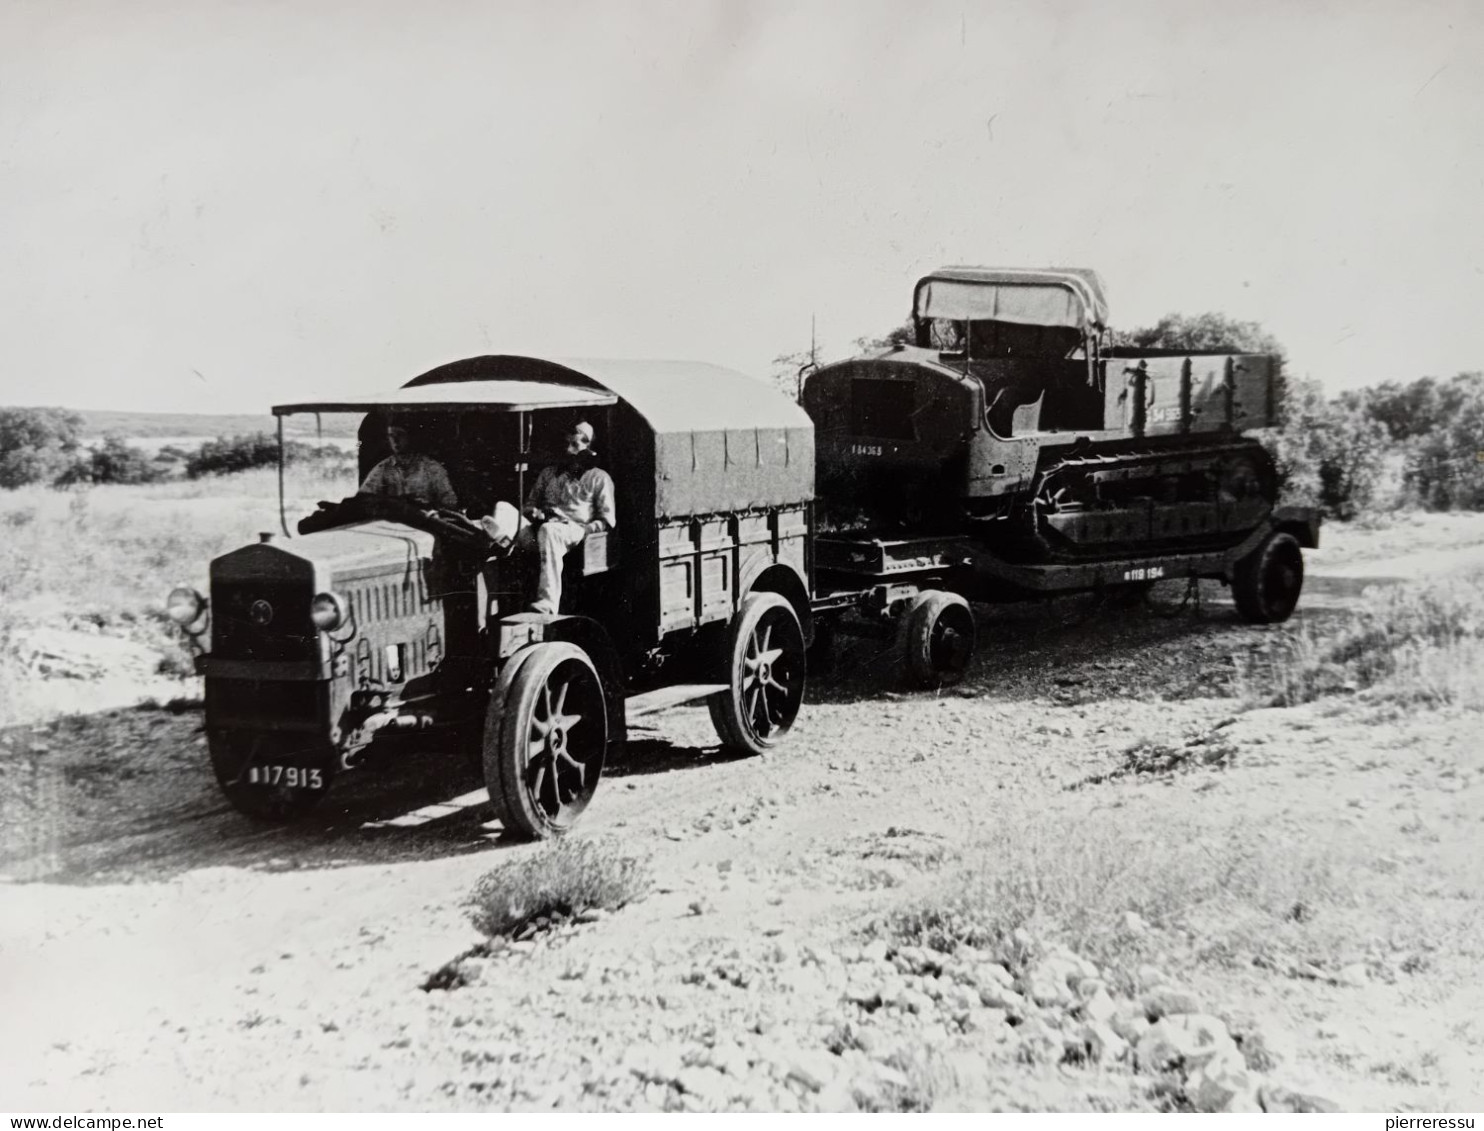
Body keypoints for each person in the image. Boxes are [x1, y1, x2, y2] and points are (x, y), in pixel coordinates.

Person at [508, 421, 615, 615]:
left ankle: (547, 604)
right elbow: (529, 504)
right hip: (540, 528)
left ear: (588, 447)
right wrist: (532, 512)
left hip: (572, 529)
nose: (568, 450)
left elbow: (607, 520)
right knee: (503, 510)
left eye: (575, 445)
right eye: (566, 444)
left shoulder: (599, 478)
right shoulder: (548, 474)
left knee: (550, 531)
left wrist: (585, 530)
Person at [358, 418, 458, 510]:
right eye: (391, 435)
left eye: (400, 435)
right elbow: (364, 497)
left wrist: (433, 509)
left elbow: (450, 501)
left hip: (424, 522)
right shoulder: (383, 468)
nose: (395, 440)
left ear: (410, 437)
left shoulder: (432, 468)